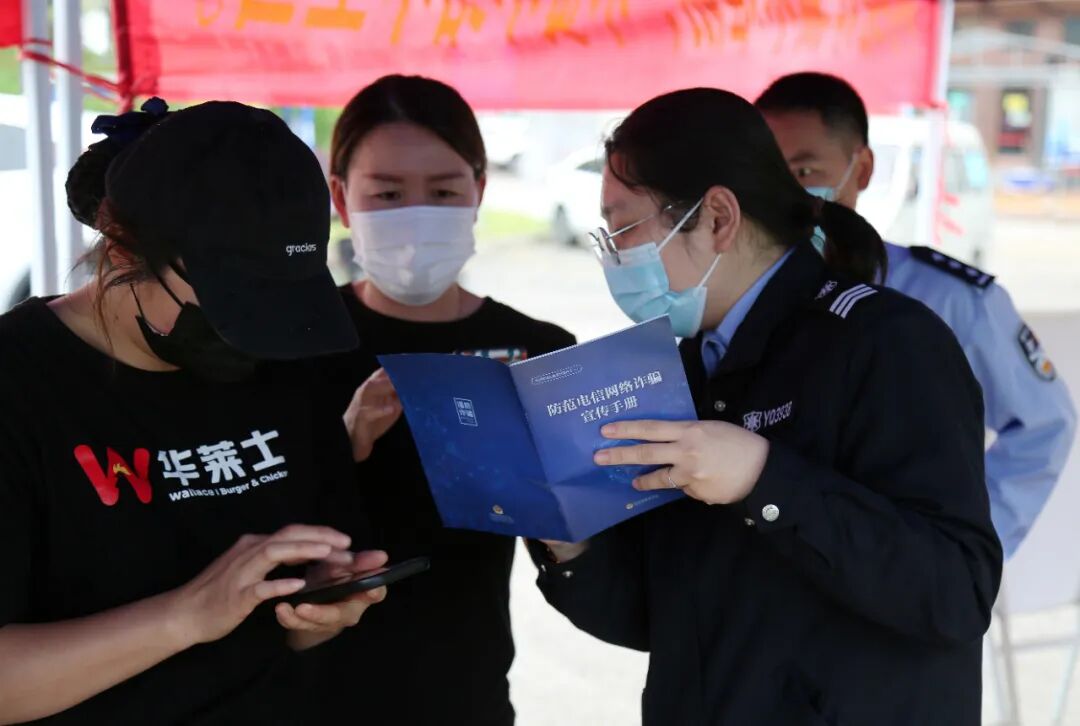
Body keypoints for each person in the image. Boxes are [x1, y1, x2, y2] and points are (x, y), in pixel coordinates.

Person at [531, 88, 1002, 726]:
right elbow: (658, 619)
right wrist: (570, 543)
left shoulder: (883, 341)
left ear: (717, 218)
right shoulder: (678, 367)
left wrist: (764, 479)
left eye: (623, 227)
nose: (613, 256)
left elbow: (955, 592)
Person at [0, 99, 389, 725]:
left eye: (278, 305)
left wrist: (317, 613)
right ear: (121, 247)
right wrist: (184, 616)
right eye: (232, 302)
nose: (253, 335)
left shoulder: (286, 364)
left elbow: (290, 626)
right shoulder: (19, 387)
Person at [320, 74, 576, 726]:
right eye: (387, 193)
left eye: (442, 192)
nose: (416, 215)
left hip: (466, 696)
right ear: (341, 198)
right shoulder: (292, 347)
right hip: (310, 696)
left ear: (479, 192)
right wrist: (342, 445)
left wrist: (568, 509)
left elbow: (587, 573)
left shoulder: (537, 351)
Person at [755, 72, 1077, 558]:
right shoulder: (739, 297)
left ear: (862, 169)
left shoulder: (947, 298)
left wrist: (965, 545)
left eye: (805, 171)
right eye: (770, 174)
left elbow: (1043, 424)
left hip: (912, 581)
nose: (786, 194)